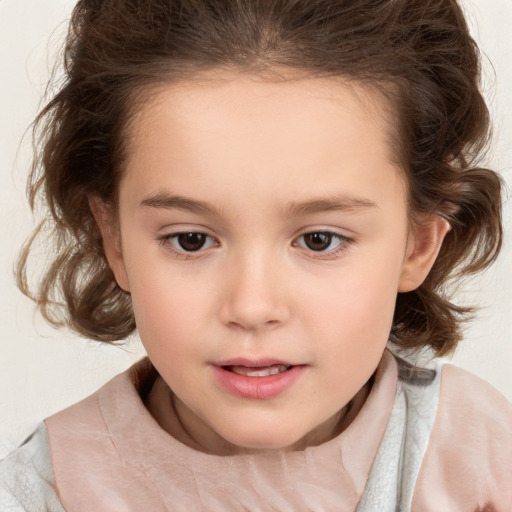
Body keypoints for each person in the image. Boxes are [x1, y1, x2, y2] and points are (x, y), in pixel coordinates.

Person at [1, 0, 511, 510]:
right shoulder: (44, 494)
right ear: (114, 238)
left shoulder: (482, 460)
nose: (251, 307)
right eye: (191, 240)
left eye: (319, 240)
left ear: (418, 242)